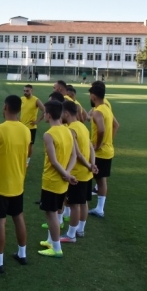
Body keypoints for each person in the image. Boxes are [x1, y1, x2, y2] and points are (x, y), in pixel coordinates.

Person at [0, 95, 31, 273]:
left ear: (5, 107)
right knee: (18, 216)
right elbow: (28, 153)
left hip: (1, 183)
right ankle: (22, 253)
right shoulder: (26, 130)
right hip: (18, 182)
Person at [37, 101, 77, 258]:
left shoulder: (49, 134)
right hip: (62, 181)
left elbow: (53, 161)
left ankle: (56, 248)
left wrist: (65, 174)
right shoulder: (68, 130)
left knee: (51, 214)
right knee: (57, 211)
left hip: (52, 180)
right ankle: (50, 240)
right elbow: (74, 155)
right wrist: (67, 173)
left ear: (47, 115)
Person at [60, 101, 97, 242]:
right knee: (83, 202)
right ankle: (80, 229)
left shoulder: (71, 130)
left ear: (66, 113)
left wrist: (88, 165)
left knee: (74, 205)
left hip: (77, 173)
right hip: (86, 174)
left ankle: (71, 235)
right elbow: (91, 147)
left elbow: (78, 154)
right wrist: (92, 164)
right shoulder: (83, 126)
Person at [89, 85, 119, 218]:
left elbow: (101, 129)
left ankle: (78, 205)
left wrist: (98, 145)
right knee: (101, 180)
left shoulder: (98, 111)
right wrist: (108, 141)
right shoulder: (107, 108)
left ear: (94, 96)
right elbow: (116, 125)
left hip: (99, 153)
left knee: (87, 176)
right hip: (108, 150)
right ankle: (100, 208)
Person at [20, 85, 45, 167]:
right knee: (21, 143)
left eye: (27, 91)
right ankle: (21, 157)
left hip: (31, 127)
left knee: (30, 145)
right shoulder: (22, 99)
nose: (25, 92)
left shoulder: (36, 100)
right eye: (24, 91)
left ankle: (27, 161)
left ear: (31, 91)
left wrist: (37, 121)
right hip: (22, 127)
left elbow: (44, 110)